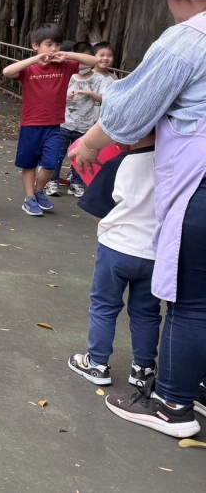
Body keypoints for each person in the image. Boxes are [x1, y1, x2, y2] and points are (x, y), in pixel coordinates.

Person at [70, 0, 206, 438]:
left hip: (191, 191)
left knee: (191, 304)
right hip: (155, 241)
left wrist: (89, 144)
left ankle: (172, 405)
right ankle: (192, 383)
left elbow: (127, 111)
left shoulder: (188, 39)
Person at [70, 132, 159, 388]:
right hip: (154, 253)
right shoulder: (174, 163)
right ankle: (143, 369)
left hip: (116, 249)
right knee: (147, 312)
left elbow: (98, 211)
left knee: (104, 307)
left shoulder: (118, 164)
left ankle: (97, 363)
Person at [2, 23, 98, 217]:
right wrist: (35, 59)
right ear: (36, 45)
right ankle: (29, 198)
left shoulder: (65, 66)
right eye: (49, 44)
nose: (54, 49)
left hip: (54, 125)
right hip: (31, 125)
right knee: (29, 164)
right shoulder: (30, 69)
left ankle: (38, 190)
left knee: (51, 164)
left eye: (57, 44)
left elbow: (93, 61)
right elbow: (7, 72)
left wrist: (67, 55)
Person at [47, 42, 116, 198]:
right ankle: (53, 181)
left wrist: (90, 93)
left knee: (81, 155)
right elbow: (55, 95)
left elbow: (104, 98)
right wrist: (65, 97)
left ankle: (77, 183)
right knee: (58, 154)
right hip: (64, 123)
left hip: (85, 126)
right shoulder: (68, 76)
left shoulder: (99, 79)